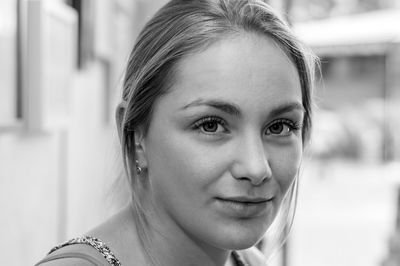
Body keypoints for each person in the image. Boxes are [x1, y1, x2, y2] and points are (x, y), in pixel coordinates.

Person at [36, 0, 316, 265]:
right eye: (211, 125)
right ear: (136, 137)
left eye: (280, 127)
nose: (256, 168)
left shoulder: (250, 261)